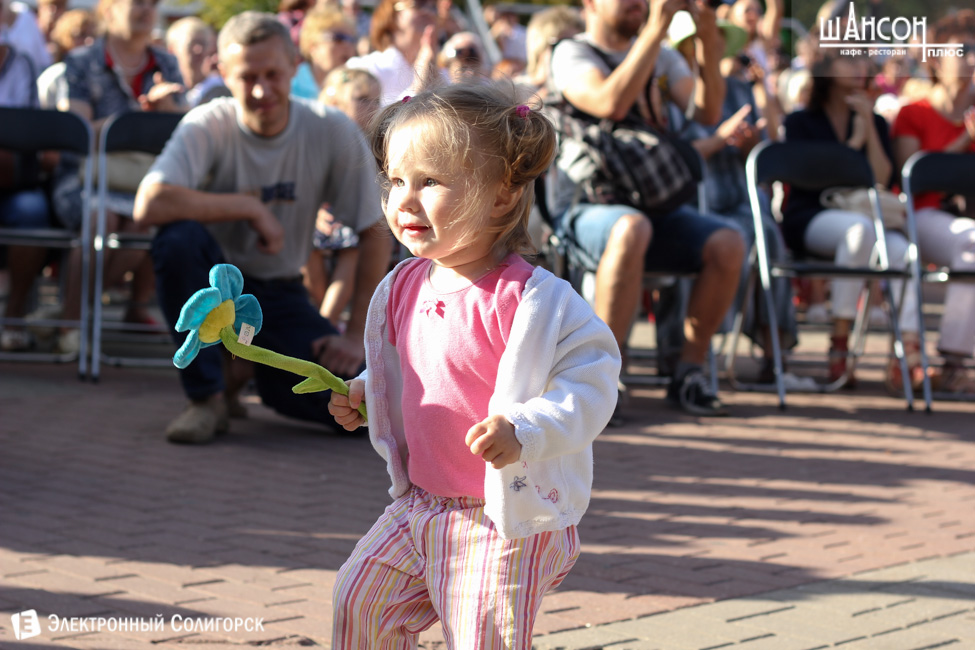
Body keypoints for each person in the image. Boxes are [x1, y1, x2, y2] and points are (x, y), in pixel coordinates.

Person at [327, 81, 621, 648]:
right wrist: (369, 393)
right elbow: (404, 367)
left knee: (482, 634)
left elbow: (592, 382)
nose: (404, 200)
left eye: (430, 182)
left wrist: (526, 430)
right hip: (420, 507)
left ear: (502, 196)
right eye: (394, 181)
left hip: (502, 520)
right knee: (359, 600)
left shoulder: (535, 298)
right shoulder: (402, 286)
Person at [134, 12, 391, 444]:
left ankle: (244, 369)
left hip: (278, 293)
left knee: (350, 409)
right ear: (222, 72)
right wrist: (249, 208)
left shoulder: (330, 128)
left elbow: (375, 229)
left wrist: (354, 335)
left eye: (273, 73)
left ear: (295, 64)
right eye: (247, 76)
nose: (261, 90)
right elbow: (150, 202)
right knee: (177, 239)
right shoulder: (208, 122)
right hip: (217, 290)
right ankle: (207, 398)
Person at [548, 0, 745, 417]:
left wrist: (707, 32)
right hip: (587, 207)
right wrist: (656, 31)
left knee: (728, 243)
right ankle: (600, 381)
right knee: (630, 228)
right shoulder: (571, 52)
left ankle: (688, 372)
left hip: (653, 209)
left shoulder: (666, 56)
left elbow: (708, 111)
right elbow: (608, 102)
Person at [52, 0, 185, 354]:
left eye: (153, 3)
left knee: (144, 217)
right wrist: (136, 121)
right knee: (102, 218)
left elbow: (183, 136)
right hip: (84, 179)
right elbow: (76, 133)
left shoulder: (167, 64)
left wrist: (166, 112)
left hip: (141, 180)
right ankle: (72, 324)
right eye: (137, 2)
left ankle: (86, 312)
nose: (147, 9)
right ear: (109, 9)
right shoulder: (82, 62)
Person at [782, 53, 917, 389]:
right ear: (825, 69)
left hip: (866, 217)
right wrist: (852, 145)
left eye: (863, 62)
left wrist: (869, 128)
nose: (861, 68)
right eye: (848, 60)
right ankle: (840, 342)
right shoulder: (801, 121)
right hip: (812, 216)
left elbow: (882, 178)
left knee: (906, 255)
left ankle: (906, 356)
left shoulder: (876, 122)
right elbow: (810, 178)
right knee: (860, 233)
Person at [890, 9, 975, 394]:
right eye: (965, 50)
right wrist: (963, 140)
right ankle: (955, 360)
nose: (972, 60)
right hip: (917, 216)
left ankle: (955, 359)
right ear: (936, 59)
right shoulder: (913, 113)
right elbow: (912, 175)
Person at [303, 66, 381, 323]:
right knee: (306, 245)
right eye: (362, 100)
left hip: (358, 218)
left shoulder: (376, 142)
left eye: (376, 100)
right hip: (320, 212)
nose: (372, 107)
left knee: (351, 248)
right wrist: (315, 213)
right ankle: (323, 317)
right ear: (335, 100)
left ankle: (327, 320)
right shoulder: (320, 135)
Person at [0, 37, 59, 352]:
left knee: (33, 211)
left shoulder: (22, 64)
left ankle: (14, 315)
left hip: (15, 184)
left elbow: (33, 134)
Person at [344, 0, 444, 106]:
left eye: (434, 7)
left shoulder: (444, 74)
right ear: (392, 16)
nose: (429, 12)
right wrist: (419, 85)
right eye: (420, 3)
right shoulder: (364, 68)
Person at [290, 7, 356, 100]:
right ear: (313, 46)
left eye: (351, 40)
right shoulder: (292, 84)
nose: (347, 45)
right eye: (338, 38)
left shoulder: (356, 86)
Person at [165, 17, 229, 108]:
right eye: (192, 44)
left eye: (203, 43)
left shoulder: (220, 89)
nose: (199, 49)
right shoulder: (167, 89)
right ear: (172, 49)